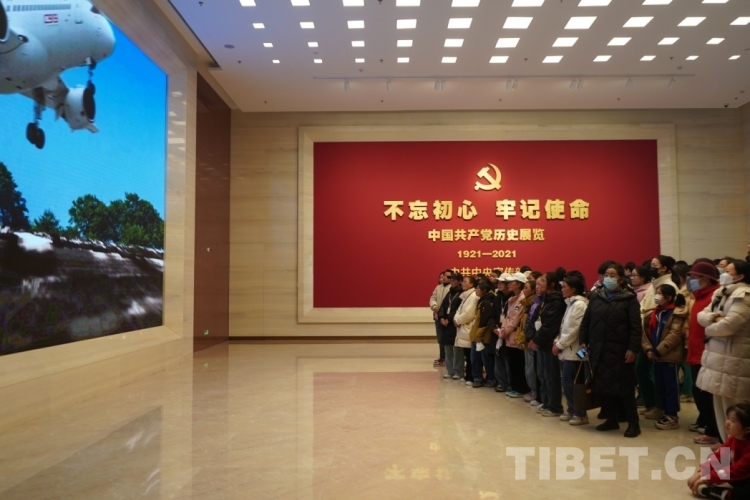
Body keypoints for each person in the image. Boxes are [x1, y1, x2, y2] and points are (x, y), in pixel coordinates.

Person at [579, 262, 642, 438]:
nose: (608, 278)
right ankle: (611, 419)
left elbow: (636, 327)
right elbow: (586, 321)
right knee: (603, 387)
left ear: (620, 279)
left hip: (620, 351)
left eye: (612, 275)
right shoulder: (596, 296)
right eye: (606, 275)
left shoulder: (629, 299)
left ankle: (633, 423)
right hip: (598, 349)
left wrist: (632, 349)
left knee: (624, 389)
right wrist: (583, 341)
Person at [697, 259, 750, 442]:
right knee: (721, 410)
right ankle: (725, 446)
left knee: (735, 411)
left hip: (735, 360)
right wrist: (714, 318)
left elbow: (728, 326)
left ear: (740, 276)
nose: (722, 273)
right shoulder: (721, 292)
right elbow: (701, 316)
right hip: (717, 359)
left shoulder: (745, 295)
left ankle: (736, 449)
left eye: (727, 270)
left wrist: (709, 326)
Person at [641, 284, 689, 430]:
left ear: (669, 297)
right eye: (657, 292)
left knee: (670, 386)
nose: (657, 296)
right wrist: (649, 349)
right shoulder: (654, 313)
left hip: (669, 356)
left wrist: (658, 351)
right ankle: (661, 409)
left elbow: (675, 335)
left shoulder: (676, 313)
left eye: (660, 293)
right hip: (655, 356)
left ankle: (672, 415)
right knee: (660, 385)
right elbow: (645, 334)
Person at [686, 261, 722, 445]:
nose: (691, 280)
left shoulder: (716, 296)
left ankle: (714, 432)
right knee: (699, 393)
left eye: (694, 277)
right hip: (695, 352)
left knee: (707, 395)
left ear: (706, 279)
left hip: (707, 353)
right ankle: (710, 428)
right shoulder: (699, 296)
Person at [638, 254, 677, 420]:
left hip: (660, 338)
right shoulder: (655, 284)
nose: (651, 268)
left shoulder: (669, 285)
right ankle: (653, 404)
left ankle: (662, 408)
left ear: (664, 268)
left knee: (663, 379)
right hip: (648, 333)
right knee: (646, 371)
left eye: (654, 265)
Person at [688, 404, 750, 499]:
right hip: (739, 477)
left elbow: (736, 471)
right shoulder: (733, 439)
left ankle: (723, 494)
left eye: (733, 421)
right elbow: (719, 457)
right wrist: (702, 473)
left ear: (747, 429)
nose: (727, 422)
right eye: (728, 418)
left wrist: (707, 478)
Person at [527, 270, 566, 417]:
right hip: (540, 343)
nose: (539, 284)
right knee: (542, 374)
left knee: (551, 376)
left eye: (543, 281)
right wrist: (531, 337)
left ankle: (555, 406)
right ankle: (546, 401)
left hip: (549, 343)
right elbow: (534, 319)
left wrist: (536, 340)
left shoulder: (557, 301)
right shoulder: (544, 299)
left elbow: (550, 326)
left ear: (552, 284)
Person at [556, 273, 590, 426]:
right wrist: (558, 342)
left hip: (576, 351)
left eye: (565, 287)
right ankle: (571, 408)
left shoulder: (580, 305)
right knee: (567, 382)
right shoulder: (571, 303)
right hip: (567, 350)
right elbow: (564, 326)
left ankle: (580, 413)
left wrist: (559, 345)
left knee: (575, 383)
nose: (562, 289)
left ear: (574, 289)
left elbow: (573, 329)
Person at [498, 272, 532, 398]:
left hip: (515, 336)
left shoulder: (522, 299)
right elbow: (507, 316)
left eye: (511, 282)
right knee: (512, 363)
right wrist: (503, 329)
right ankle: (514, 386)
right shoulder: (512, 298)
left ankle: (520, 388)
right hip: (508, 335)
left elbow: (515, 319)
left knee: (518, 363)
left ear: (518, 284)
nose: (508, 284)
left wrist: (505, 331)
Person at [470, 281, 496, 388]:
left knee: (485, 359)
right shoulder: (481, 301)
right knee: (475, 358)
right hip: (477, 334)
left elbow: (484, 321)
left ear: (484, 290)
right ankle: (478, 378)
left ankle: (490, 379)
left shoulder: (486, 302)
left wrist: (478, 335)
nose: (476, 290)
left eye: (478, 288)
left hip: (483, 336)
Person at [454, 275, 479, 385]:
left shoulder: (473, 296)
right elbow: (458, 311)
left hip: (468, 327)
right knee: (466, 353)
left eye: (465, 282)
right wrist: (456, 320)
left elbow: (468, 314)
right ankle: (467, 375)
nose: (462, 284)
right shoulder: (466, 295)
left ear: (472, 284)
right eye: (463, 282)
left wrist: (458, 321)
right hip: (462, 326)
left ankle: (472, 376)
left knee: (470, 355)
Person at [439, 273, 464, 380]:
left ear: (460, 281)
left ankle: (458, 371)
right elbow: (443, 306)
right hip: (446, 325)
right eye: (451, 280)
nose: (452, 282)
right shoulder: (449, 293)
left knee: (457, 348)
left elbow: (458, 309)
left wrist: (448, 319)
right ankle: (450, 371)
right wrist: (441, 317)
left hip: (454, 324)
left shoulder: (462, 294)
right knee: (447, 347)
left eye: (454, 280)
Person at [520, 279, 538, 403]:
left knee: (532, 368)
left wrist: (529, 337)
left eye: (526, 288)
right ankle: (532, 390)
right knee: (528, 367)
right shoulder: (526, 304)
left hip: (531, 339)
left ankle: (535, 392)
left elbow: (531, 322)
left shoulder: (534, 303)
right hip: (525, 338)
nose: (524, 290)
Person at [430, 270, 452, 367]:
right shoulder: (438, 287)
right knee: (440, 338)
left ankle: (448, 358)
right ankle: (442, 357)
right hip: (438, 316)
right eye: (442, 276)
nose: (443, 278)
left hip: (447, 318)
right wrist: (434, 306)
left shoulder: (452, 288)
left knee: (447, 339)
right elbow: (432, 298)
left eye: (446, 276)